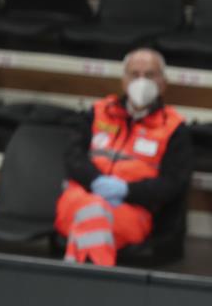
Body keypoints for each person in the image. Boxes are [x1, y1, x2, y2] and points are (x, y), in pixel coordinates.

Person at [57, 48, 193, 266]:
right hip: (79, 196)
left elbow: (173, 182)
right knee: (92, 209)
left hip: (131, 208)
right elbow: (73, 156)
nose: (141, 81)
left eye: (149, 75)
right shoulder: (98, 112)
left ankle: (75, 272)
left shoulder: (174, 128)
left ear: (163, 83)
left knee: (93, 218)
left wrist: (127, 190)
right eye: (134, 74)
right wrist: (96, 182)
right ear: (123, 80)